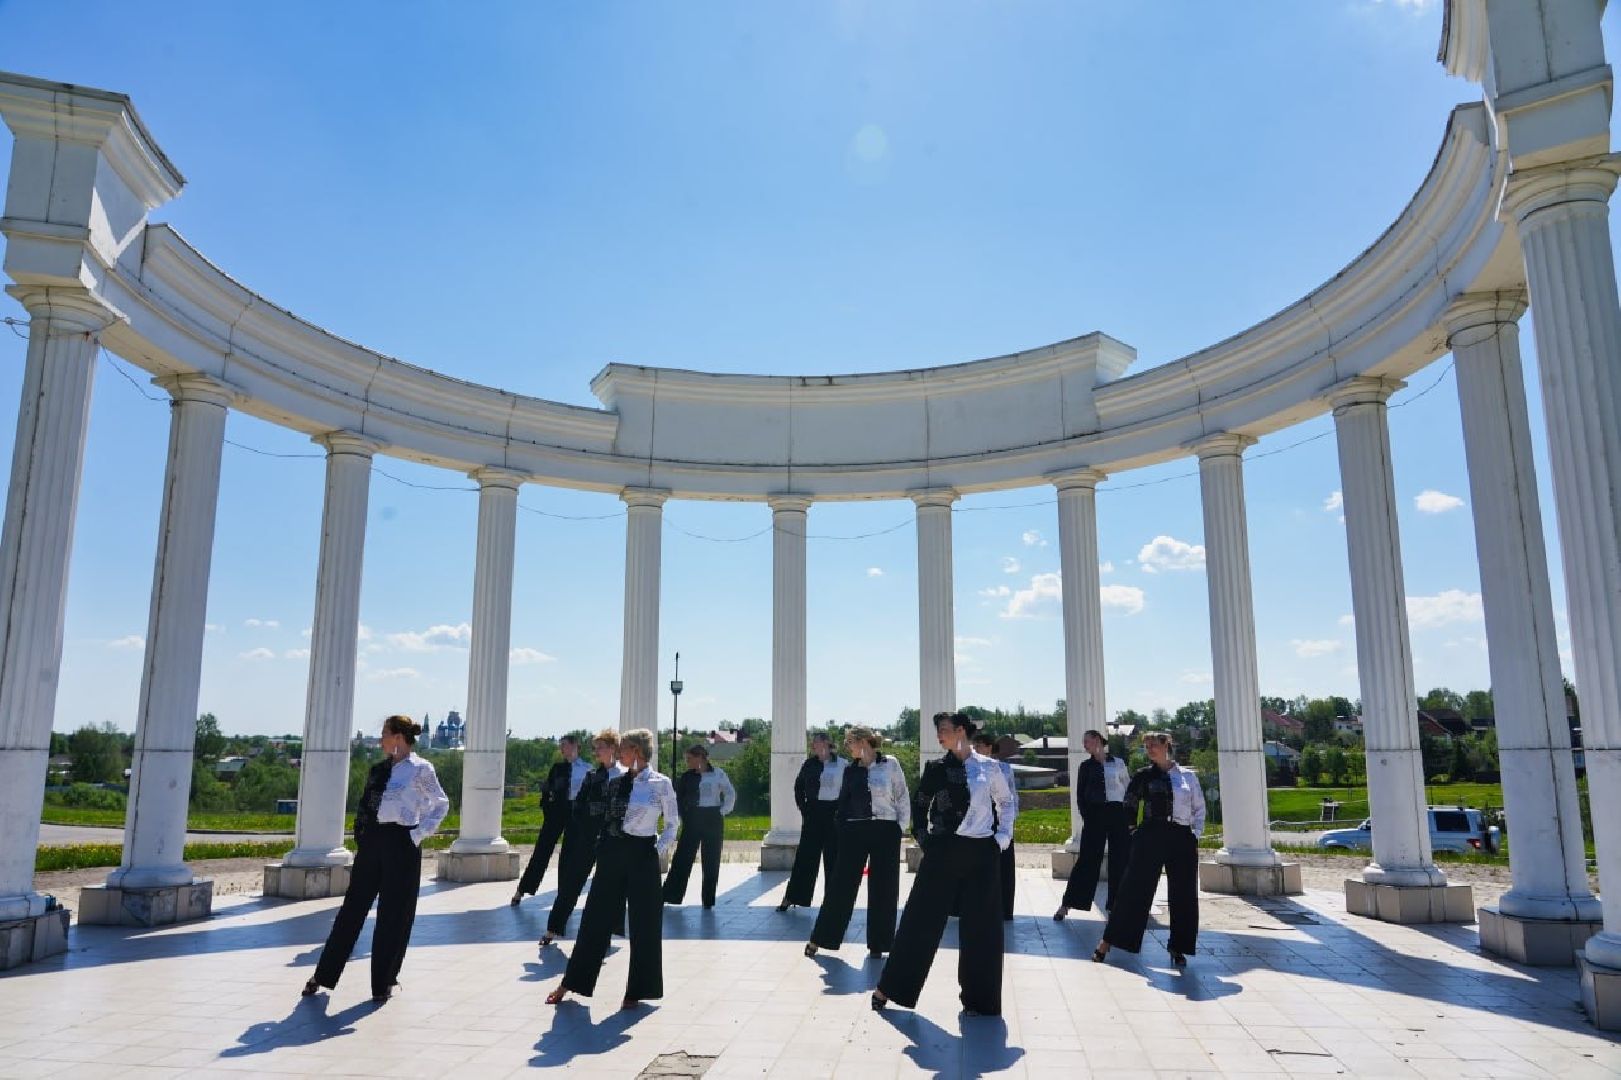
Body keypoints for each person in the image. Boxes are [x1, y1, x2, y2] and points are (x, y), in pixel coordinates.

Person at [302, 715, 449, 1004]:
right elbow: (365, 805)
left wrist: (417, 835)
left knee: (393, 914)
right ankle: (323, 975)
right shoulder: (378, 770)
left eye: (384, 734)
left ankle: (382, 983)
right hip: (372, 843)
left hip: (403, 843)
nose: (380, 740)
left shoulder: (421, 769)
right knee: (351, 910)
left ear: (398, 737)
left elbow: (441, 804)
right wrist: (362, 835)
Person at [874, 712, 1013, 1016]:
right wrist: (928, 842)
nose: (940, 735)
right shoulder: (936, 768)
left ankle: (981, 1001)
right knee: (919, 920)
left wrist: (1001, 839)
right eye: (938, 731)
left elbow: (1006, 802)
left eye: (945, 730)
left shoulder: (989, 768)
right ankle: (890, 988)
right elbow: (920, 806)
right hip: (943, 851)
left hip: (982, 853)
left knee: (983, 929)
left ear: (961, 731)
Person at [547, 728, 677, 1009]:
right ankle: (572, 981)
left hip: (643, 854)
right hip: (612, 853)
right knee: (594, 918)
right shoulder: (615, 782)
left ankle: (638, 989)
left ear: (638, 752)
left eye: (625, 749)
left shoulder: (660, 783)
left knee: (645, 925)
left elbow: (671, 826)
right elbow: (601, 817)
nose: (620, 754)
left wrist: (654, 852)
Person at [1094, 732, 1205, 968]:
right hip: (1151, 835)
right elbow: (1129, 805)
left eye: (1154, 744)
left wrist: (1193, 836)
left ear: (1167, 745)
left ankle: (1179, 946)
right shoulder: (1144, 776)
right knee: (1133, 889)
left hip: (1182, 837)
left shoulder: (1188, 777)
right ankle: (1107, 941)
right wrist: (1135, 833)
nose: (1150, 749)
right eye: (1147, 746)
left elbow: (1199, 809)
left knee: (1184, 894)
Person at [805, 726, 909, 959]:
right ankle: (821, 938)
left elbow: (902, 795)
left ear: (863, 741)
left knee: (884, 888)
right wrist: (842, 829)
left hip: (886, 829)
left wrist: (898, 828)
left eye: (849, 742)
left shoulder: (889, 763)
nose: (846, 747)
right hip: (855, 829)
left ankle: (879, 943)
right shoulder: (850, 771)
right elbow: (843, 804)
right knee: (841, 885)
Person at [540, 728, 625, 946]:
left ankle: (606, 932)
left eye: (600, 748)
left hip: (613, 840)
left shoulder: (626, 777)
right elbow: (578, 805)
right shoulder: (592, 776)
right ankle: (553, 928)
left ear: (613, 749)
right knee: (571, 882)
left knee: (609, 887)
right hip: (588, 837)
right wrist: (586, 824)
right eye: (594, 748)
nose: (596, 752)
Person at [1054, 728, 1131, 920]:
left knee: (1120, 859)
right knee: (1087, 859)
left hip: (1117, 813)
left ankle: (1117, 905)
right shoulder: (1086, 767)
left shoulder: (1118, 763)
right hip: (1095, 814)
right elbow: (1080, 795)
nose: (1084, 745)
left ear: (1097, 740)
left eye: (1087, 741)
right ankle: (1067, 904)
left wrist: (1129, 816)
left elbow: (1128, 790)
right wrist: (1087, 816)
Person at [513, 734, 591, 905]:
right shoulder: (557, 768)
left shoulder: (587, 769)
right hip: (556, 813)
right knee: (542, 851)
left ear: (575, 746)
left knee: (569, 855)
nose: (561, 749)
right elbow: (546, 791)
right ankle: (522, 889)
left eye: (564, 745)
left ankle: (563, 895)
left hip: (575, 815)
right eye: (560, 745)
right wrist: (548, 810)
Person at [661, 744, 735, 908]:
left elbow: (730, 792)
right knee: (682, 858)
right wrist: (682, 815)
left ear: (700, 757)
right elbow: (677, 798)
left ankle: (708, 900)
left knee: (711, 860)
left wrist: (723, 810)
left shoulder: (718, 774)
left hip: (713, 818)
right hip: (693, 817)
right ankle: (668, 895)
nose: (687, 762)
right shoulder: (687, 777)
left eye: (689, 759)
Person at [778, 731, 845, 912]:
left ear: (825, 743)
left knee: (833, 858)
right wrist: (804, 808)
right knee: (805, 857)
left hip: (834, 814)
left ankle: (832, 902)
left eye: (814, 742)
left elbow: (848, 790)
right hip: (813, 812)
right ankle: (792, 897)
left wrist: (842, 811)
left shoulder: (842, 764)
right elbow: (798, 787)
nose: (812, 745)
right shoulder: (809, 764)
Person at [971, 731, 1019, 921]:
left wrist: (1010, 824)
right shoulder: (970, 768)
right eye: (975, 746)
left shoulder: (1005, 768)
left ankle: (1005, 909)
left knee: (1004, 866)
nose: (977, 749)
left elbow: (1012, 796)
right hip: (980, 820)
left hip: (1001, 818)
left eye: (981, 745)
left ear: (990, 747)